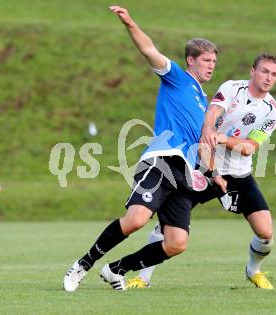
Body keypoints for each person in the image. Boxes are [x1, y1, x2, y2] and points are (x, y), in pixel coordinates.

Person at [63, 5, 219, 291]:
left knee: (176, 243)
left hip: (185, 172)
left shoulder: (203, 99)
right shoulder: (177, 78)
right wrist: (129, 23)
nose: (211, 65)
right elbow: (149, 50)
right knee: (136, 220)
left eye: (213, 61)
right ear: (191, 60)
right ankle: (82, 264)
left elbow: (203, 143)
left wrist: (212, 172)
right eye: (206, 60)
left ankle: (116, 269)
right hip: (162, 160)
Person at [127, 53, 276, 290]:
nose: (268, 77)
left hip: (239, 174)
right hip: (205, 166)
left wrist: (221, 138)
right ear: (252, 71)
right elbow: (212, 111)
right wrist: (208, 128)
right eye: (264, 71)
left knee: (266, 234)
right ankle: (142, 278)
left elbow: (249, 148)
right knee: (166, 225)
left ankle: (253, 270)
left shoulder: (274, 110)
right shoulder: (233, 88)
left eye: (273, 74)